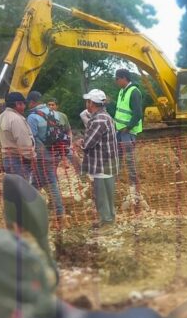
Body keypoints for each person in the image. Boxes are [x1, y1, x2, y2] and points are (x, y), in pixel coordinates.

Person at [78, 89, 119, 229]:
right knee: (107, 193)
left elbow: (89, 143)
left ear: (92, 103)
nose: (86, 103)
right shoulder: (105, 116)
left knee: (102, 194)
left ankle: (107, 222)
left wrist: (80, 143)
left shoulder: (99, 120)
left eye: (88, 101)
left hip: (102, 162)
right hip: (107, 161)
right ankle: (109, 218)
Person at [26, 91, 66, 221]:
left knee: (51, 181)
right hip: (56, 151)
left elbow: (31, 137)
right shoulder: (54, 113)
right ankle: (31, 207)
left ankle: (59, 211)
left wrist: (32, 155)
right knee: (36, 182)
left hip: (42, 155)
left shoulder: (32, 117)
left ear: (32, 102)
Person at [113, 68, 142, 199]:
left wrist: (128, 127)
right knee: (117, 156)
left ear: (124, 78)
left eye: (117, 79)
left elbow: (138, 114)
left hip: (128, 132)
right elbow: (121, 110)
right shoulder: (121, 91)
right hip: (119, 131)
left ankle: (134, 185)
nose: (116, 81)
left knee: (129, 158)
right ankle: (115, 181)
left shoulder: (134, 92)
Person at [0, 92, 35, 181]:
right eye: (24, 104)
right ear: (18, 104)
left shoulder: (0, 118)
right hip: (19, 161)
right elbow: (24, 143)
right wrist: (32, 158)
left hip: (7, 160)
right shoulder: (16, 119)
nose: (25, 106)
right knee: (24, 191)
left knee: (16, 191)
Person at [46, 97, 81, 173]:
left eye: (53, 105)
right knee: (52, 168)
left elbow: (68, 130)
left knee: (75, 159)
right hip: (52, 147)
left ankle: (83, 178)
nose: (51, 107)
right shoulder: (45, 116)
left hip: (64, 144)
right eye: (49, 105)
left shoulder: (63, 116)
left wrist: (70, 143)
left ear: (57, 106)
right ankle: (54, 183)